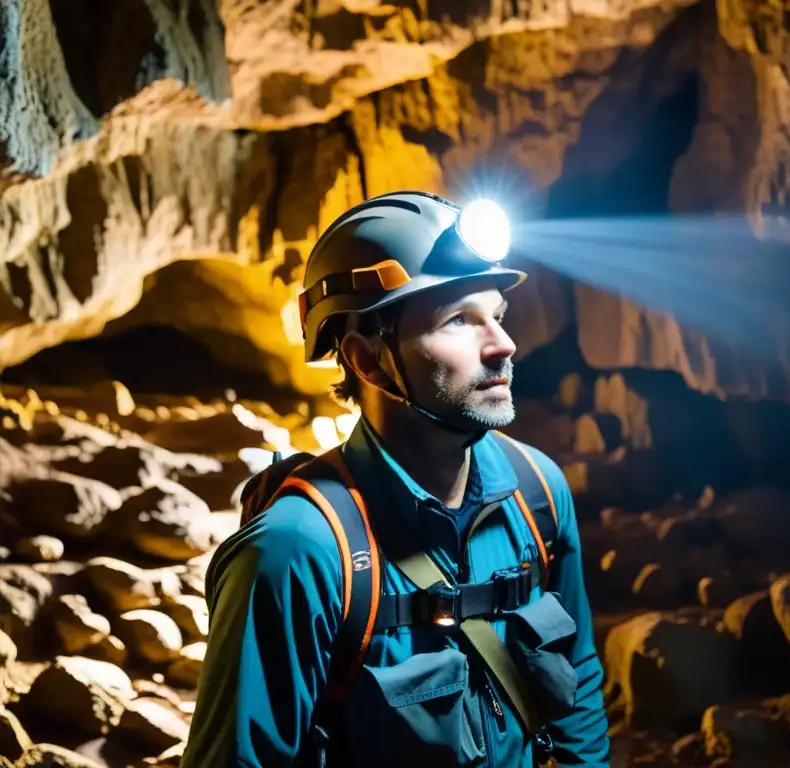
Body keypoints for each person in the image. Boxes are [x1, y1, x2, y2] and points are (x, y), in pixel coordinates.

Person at [181, 190, 611, 767]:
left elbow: (577, 681)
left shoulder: (538, 492)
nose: (503, 345)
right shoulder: (296, 552)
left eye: (497, 316)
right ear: (367, 360)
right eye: (459, 320)